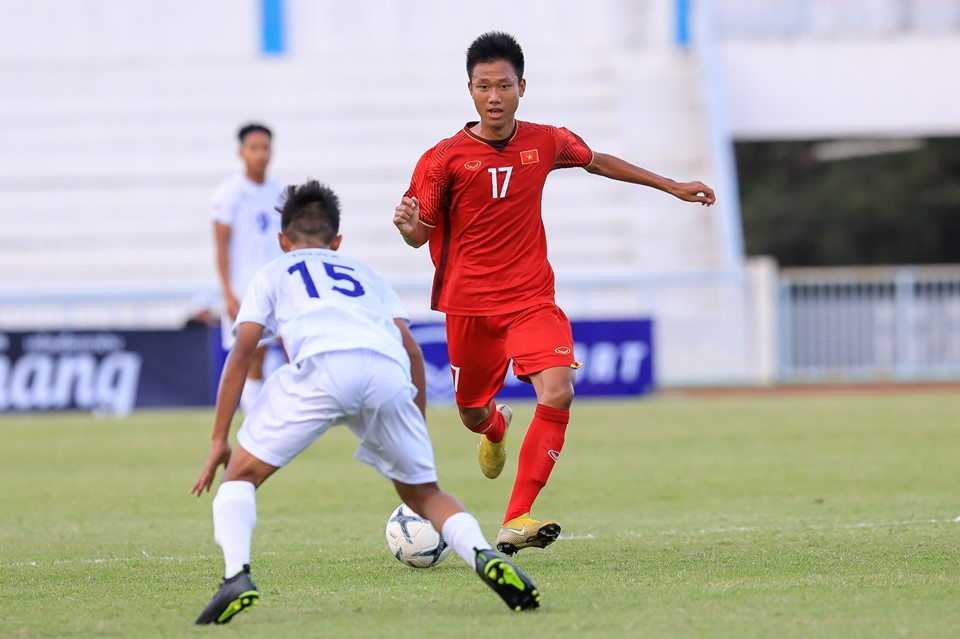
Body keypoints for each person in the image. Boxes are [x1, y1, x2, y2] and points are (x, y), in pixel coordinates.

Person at [393, 31, 716, 555]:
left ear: (522, 87)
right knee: (472, 413)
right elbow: (419, 234)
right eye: (483, 86)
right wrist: (408, 226)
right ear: (469, 90)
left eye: (504, 86)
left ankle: (516, 517)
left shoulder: (546, 141)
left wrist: (671, 185)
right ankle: (494, 429)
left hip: (530, 299)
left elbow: (598, 160)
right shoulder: (442, 159)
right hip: (468, 307)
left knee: (559, 389)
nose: (494, 97)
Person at [191, 181, 541, 625]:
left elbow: (242, 354)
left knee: (239, 477)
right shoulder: (365, 274)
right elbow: (412, 350)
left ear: (282, 241)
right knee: (425, 494)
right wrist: (414, 425)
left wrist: (219, 439)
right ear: (337, 242)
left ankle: (235, 577)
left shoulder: (272, 272)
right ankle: (483, 555)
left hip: (320, 368)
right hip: (385, 372)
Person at [210, 123, 287, 413]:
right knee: (251, 354)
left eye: (265, 148)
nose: (260, 154)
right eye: (254, 148)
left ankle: (293, 412)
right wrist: (228, 292)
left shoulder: (281, 192)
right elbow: (221, 246)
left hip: (278, 284)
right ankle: (252, 414)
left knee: (292, 348)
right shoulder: (228, 193)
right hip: (245, 287)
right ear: (241, 152)